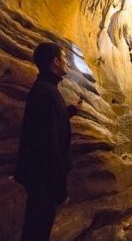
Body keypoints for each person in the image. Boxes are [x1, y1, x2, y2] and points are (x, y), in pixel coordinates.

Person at [15, 42, 81, 241]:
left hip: (40, 177)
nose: (67, 64)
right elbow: (48, 145)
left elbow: (49, 123)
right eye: (64, 60)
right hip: (43, 178)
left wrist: (68, 111)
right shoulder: (46, 93)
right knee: (37, 230)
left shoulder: (46, 89)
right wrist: (59, 186)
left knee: (37, 227)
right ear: (55, 62)